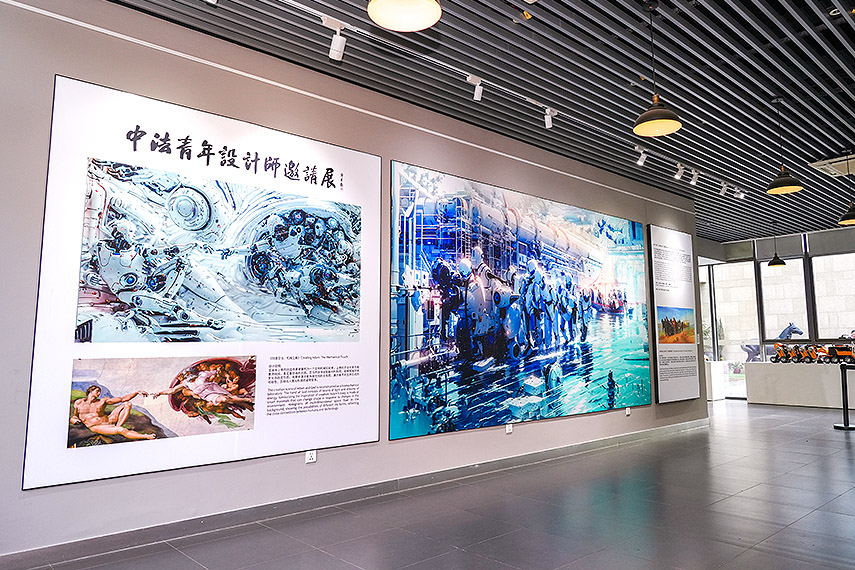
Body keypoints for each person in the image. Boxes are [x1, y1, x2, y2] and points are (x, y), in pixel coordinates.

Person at [70, 385, 155, 440]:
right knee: (121, 430)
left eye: (100, 392)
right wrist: (73, 420)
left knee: (127, 404)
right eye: (97, 391)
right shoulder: (79, 402)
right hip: (97, 426)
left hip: (109, 420)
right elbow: (75, 416)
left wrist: (136, 393)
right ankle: (146, 436)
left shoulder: (102, 401)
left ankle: (118, 425)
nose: (99, 393)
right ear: (91, 391)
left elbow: (122, 399)